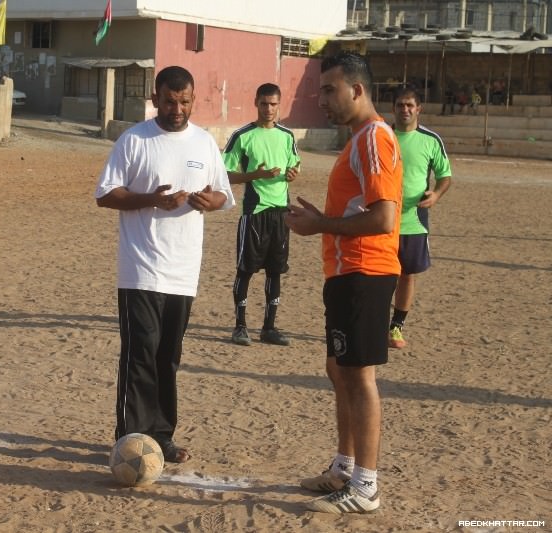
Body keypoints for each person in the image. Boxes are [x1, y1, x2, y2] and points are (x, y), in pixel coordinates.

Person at [95, 65, 235, 464]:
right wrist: (150, 199)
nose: (178, 109)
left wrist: (213, 202)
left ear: (193, 99)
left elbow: (224, 194)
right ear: (155, 98)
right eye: (170, 101)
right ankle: (131, 438)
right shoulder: (134, 140)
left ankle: (162, 435)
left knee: (167, 356)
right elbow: (105, 195)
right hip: (140, 267)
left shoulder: (204, 144)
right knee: (140, 352)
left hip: (184, 269)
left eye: (185, 101)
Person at [284, 51, 402, 514]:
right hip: (345, 272)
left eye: (330, 89)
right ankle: (344, 467)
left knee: (357, 376)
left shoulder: (375, 138)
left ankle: (366, 486)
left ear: (358, 90)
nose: (322, 99)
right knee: (339, 370)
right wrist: (321, 222)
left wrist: (321, 225)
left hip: (365, 271)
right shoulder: (358, 141)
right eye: (320, 89)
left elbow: (384, 217)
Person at [223, 83, 301, 347]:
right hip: (254, 212)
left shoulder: (288, 136)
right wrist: (254, 175)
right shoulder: (243, 136)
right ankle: (240, 327)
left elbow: (294, 164)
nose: (269, 109)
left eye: (274, 104)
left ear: (280, 105)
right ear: (256, 103)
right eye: (264, 103)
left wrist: (293, 173)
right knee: (245, 270)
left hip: (280, 213)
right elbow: (225, 174)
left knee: (275, 271)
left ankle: (269, 327)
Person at [388, 87, 452, 349]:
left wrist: (436, 195)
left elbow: (445, 176)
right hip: (381, 220)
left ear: (418, 109)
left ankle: (396, 327)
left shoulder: (431, 140)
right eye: (401, 105)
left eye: (410, 105)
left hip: (414, 221)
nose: (405, 109)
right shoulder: (382, 136)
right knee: (379, 274)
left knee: (407, 274)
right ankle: (373, 322)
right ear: (393, 108)